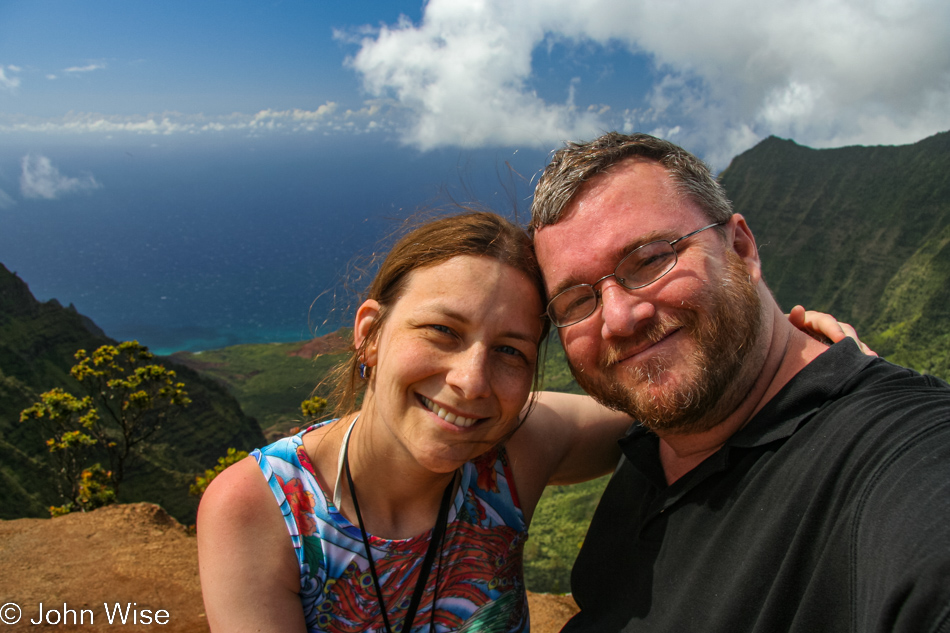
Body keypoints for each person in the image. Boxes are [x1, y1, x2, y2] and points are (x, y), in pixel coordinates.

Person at [529, 132, 950, 632]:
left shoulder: (899, 459)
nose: (619, 319)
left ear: (743, 248)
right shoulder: (651, 439)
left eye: (650, 259)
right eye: (577, 301)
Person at [196, 211, 635, 633]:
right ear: (370, 334)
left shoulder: (511, 453)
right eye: (443, 331)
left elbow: (657, 418)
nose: (472, 382)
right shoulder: (263, 509)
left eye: (509, 351)